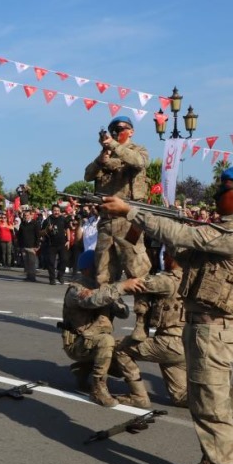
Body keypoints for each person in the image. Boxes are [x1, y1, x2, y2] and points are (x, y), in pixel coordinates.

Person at [101, 166, 233, 464]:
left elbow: (182, 235)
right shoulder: (232, 232)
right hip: (202, 328)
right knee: (200, 402)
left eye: (222, 191)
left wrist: (131, 211)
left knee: (212, 409)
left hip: (213, 331)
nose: (215, 196)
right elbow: (185, 247)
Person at [84, 115, 151, 340]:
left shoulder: (138, 150)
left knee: (137, 270)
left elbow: (138, 163)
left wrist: (113, 146)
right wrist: (101, 157)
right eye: (112, 129)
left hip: (129, 220)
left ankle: (142, 321)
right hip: (106, 221)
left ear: (131, 131)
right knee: (103, 273)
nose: (115, 132)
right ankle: (103, 320)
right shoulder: (107, 153)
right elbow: (88, 174)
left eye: (120, 128)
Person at [60, 250, 147, 407]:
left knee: (124, 349)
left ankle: (84, 369)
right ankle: (98, 390)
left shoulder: (103, 288)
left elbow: (124, 313)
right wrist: (120, 287)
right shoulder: (76, 288)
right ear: (88, 268)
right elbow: (92, 300)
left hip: (94, 342)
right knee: (107, 341)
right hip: (78, 343)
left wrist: (113, 295)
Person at [113, 249, 188, 407]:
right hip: (186, 344)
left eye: (166, 255)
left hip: (169, 343)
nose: (164, 258)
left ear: (173, 258)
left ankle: (138, 396)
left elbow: (142, 284)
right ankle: (224, 400)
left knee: (121, 348)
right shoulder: (191, 278)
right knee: (180, 396)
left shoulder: (168, 281)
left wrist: (116, 286)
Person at [41, 205, 69, 285]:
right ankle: (52, 278)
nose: (56, 212)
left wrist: (68, 240)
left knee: (64, 260)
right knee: (51, 262)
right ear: (52, 211)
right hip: (51, 244)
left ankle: (60, 276)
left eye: (58, 210)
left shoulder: (63, 219)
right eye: (55, 210)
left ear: (59, 211)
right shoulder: (48, 220)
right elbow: (41, 233)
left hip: (62, 243)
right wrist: (47, 229)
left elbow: (67, 229)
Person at [17, 210, 42, 282]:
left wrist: (37, 245)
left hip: (32, 246)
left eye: (27, 215)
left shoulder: (35, 224)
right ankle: (28, 276)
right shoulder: (22, 224)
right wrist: (19, 245)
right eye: (25, 215)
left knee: (32, 262)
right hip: (24, 246)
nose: (26, 217)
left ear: (31, 215)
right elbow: (19, 236)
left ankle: (32, 277)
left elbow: (37, 235)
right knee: (26, 262)